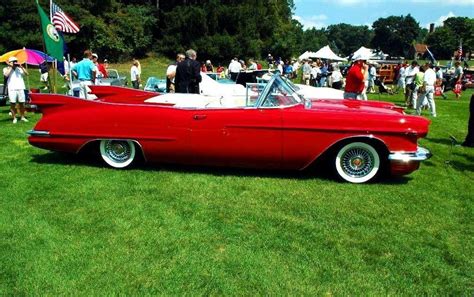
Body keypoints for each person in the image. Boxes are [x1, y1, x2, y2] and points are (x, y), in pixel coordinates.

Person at [3, 57, 29, 123]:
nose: (15, 62)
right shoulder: (6, 68)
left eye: (15, 61)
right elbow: (6, 75)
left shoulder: (19, 68)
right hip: (12, 88)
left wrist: (21, 66)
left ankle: (22, 117)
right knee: (12, 103)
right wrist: (10, 67)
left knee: (22, 103)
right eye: (13, 61)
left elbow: (27, 74)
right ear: (10, 62)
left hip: (20, 88)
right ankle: (14, 118)